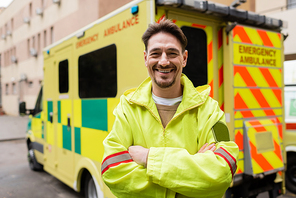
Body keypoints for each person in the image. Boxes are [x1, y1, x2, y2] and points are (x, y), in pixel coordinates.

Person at [101, 19, 239, 198]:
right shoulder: (127, 108)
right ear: (146, 58)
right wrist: (190, 178)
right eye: (156, 53)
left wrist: (148, 158)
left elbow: (224, 170)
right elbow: (112, 170)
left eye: (172, 53)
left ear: (184, 58)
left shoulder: (210, 110)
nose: (164, 62)